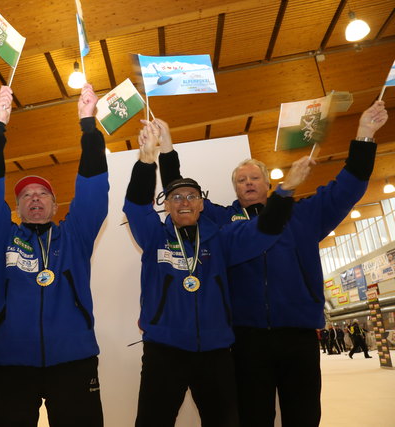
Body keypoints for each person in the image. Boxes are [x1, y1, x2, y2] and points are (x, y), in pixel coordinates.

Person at [157, 100, 388, 426]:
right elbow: (180, 193)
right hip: (245, 337)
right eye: (241, 179)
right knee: (253, 416)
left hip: (299, 334)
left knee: (304, 414)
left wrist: (364, 135)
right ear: (234, 189)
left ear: (269, 183)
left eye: (254, 177)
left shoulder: (303, 214)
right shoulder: (221, 221)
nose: (248, 182)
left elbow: (347, 187)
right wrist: (167, 148)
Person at [124, 121, 309, 427]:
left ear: (202, 205)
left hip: (215, 352)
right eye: (177, 198)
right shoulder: (154, 236)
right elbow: (134, 206)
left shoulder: (223, 238)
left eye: (192, 197)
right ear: (166, 206)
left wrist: (286, 190)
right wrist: (146, 158)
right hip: (163, 350)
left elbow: (264, 230)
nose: (184, 202)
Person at [0, 84, 107, 426]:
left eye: (42, 193)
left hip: (73, 358)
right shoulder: (2, 236)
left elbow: (93, 191)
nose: (35, 198)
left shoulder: (74, 236)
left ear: (54, 204)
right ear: (16, 208)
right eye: (27, 195)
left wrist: (88, 125)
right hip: (11, 361)